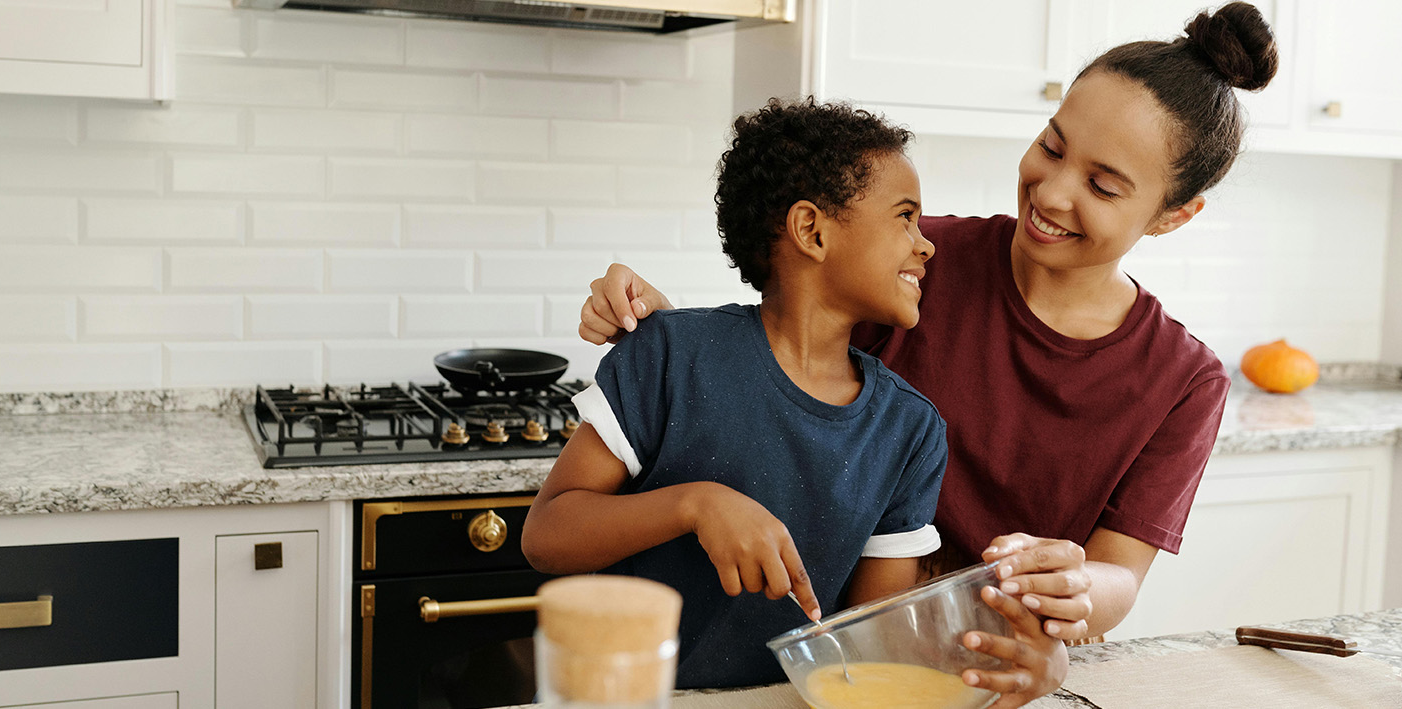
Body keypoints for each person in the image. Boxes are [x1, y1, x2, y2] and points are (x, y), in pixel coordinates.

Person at [575, 3, 1278, 705]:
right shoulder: (915, 263)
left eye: (1102, 185)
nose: (1053, 190)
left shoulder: (1185, 378)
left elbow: (1119, 572)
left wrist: (1066, 603)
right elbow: (778, 352)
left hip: (997, 660)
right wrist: (666, 330)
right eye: (1052, 146)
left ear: (1172, 215)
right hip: (844, 655)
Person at [523, 98, 1049, 690]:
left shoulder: (911, 431)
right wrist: (696, 505)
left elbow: (875, 648)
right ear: (811, 231)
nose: (925, 245)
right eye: (904, 217)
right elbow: (546, 537)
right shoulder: (669, 355)